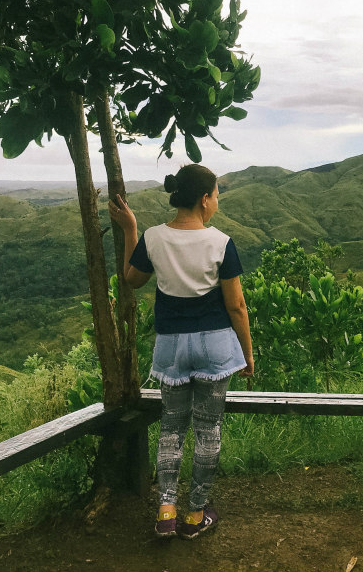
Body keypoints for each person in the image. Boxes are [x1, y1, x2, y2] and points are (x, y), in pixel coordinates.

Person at [109, 164, 254, 540]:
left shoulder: (155, 238)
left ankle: (166, 511)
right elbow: (237, 306)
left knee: (171, 430)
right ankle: (195, 515)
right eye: (217, 195)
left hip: (171, 347)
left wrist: (130, 230)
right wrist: (247, 353)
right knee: (208, 432)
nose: (218, 203)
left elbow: (132, 280)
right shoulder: (221, 243)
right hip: (215, 347)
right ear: (204, 199)